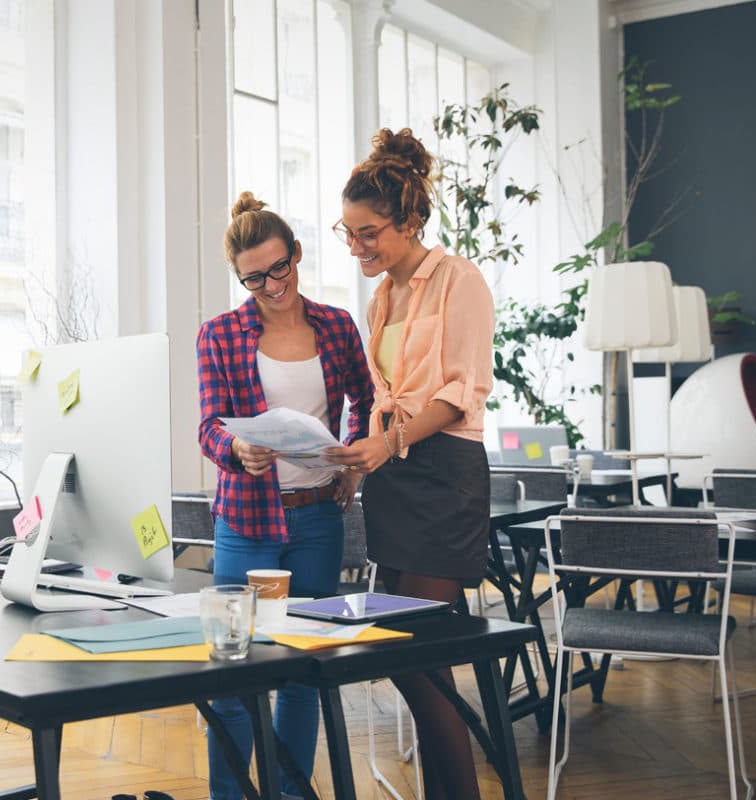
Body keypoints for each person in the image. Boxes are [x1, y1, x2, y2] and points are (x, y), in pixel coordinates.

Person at [323, 128, 495, 799]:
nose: (360, 247)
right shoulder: (384, 298)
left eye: (372, 234)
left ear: (412, 221)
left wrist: (387, 445)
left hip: (445, 475)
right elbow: (385, 398)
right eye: (350, 232)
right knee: (411, 660)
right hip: (394, 481)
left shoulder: (460, 280)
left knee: (417, 657)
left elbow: (459, 394)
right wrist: (358, 464)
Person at [196, 191, 374, 800]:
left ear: (297, 255)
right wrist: (236, 451)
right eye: (253, 278)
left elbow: (366, 400)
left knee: (302, 670)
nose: (270, 285)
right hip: (245, 526)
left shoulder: (336, 325)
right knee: (235, 673)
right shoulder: (219, 335)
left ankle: (290, 793)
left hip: (317, 521)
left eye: (279, 268)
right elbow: (208, 426)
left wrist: (353, 462)